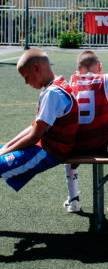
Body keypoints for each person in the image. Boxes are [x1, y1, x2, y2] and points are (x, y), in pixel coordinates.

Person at [0, 49, 78, 193]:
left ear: (36, 68)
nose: (26, 82)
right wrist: (6, 148)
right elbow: (34, 127)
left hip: (50, 152)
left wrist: (4, 152)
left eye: (26, 77)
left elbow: (34, 136)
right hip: (44, 147)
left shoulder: (53, 93)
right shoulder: (56, 85)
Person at [64, 50, 108, 213]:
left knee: (71, 146)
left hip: (76, 145)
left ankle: (73, 199)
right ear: (99, 66)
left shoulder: (71, 81)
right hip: (100, 142)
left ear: (79, 68)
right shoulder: (107, 78)